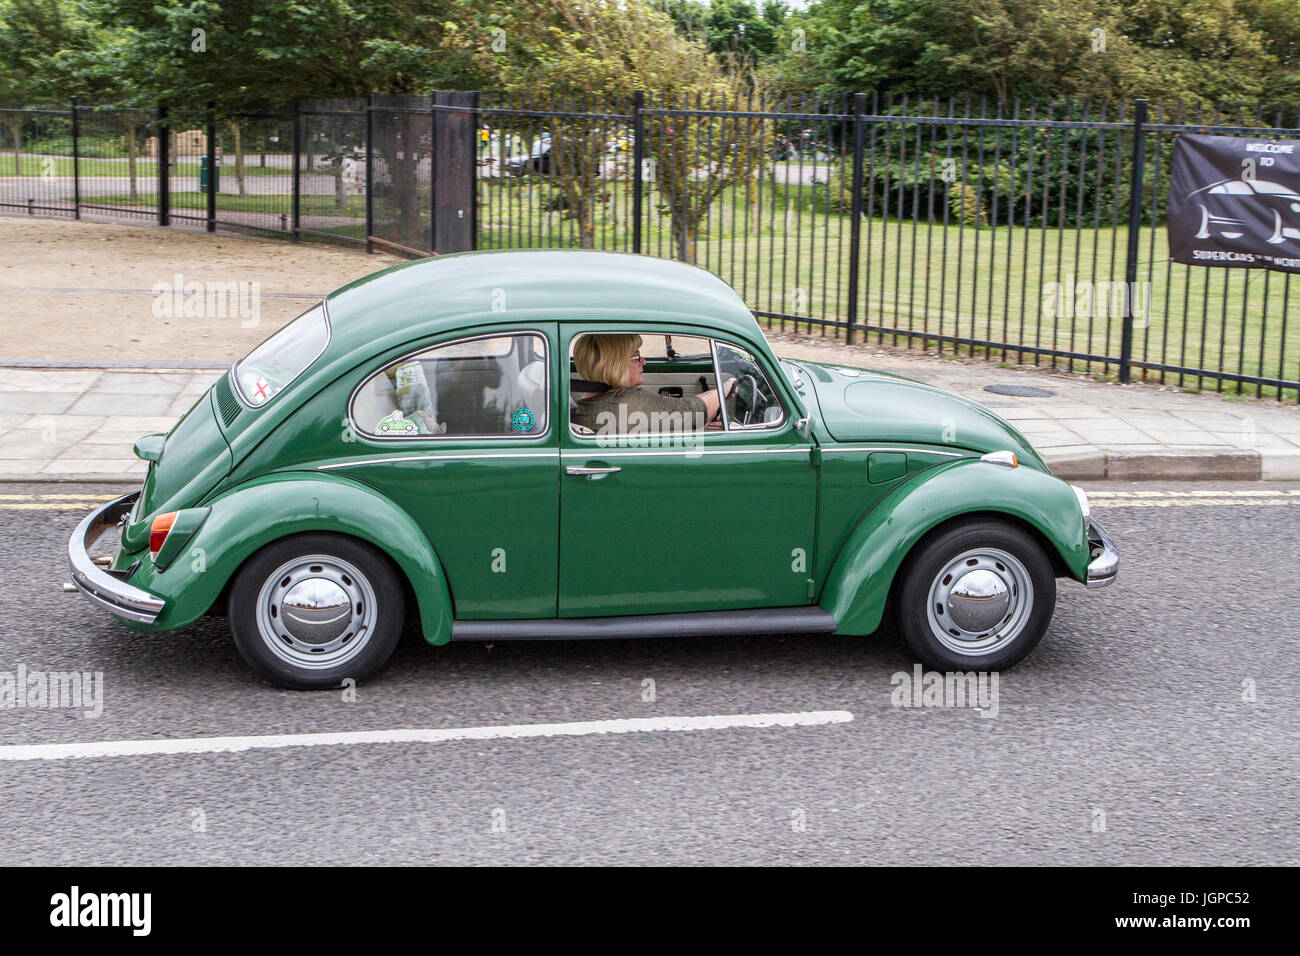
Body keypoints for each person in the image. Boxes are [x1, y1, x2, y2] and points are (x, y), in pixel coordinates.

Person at [571, 333, 733, 435]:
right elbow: (693, 411)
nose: (643, 361)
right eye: (636, 356)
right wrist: (727, 387)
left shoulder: (591, 404)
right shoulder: (626, 402)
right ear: (616, 364)